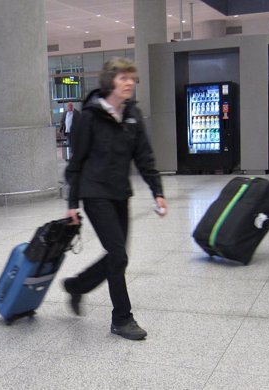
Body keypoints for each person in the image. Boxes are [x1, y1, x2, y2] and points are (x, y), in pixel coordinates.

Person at [63, 58, 167, 341]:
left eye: (132, 79)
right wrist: (72, 203)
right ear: (110, 81)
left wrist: (157, 191)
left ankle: (77, 285)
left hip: (119, 193)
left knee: (117, 257)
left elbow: (144, 156)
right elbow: (77, 162)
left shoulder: (132, 115)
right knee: (118, 255)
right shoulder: (89, 117)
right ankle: (122, 318)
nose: (129, 83)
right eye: (123, 78)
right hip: (94, 192)